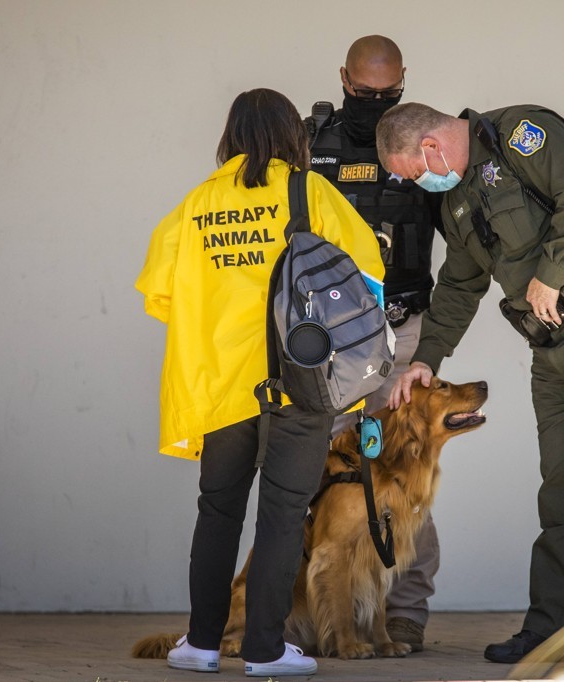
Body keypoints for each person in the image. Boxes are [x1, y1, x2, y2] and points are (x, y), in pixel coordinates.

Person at [376, 102, 564, 663]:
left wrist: (551, 273)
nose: (422, 185)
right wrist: (428, 359)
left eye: (417, 173)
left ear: (432, 148)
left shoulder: (521, 136)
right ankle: (554, 634)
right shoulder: (456, 199)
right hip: (552, 350)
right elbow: (460, 285)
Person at [136, 88, 384, 676]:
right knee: (282, 514)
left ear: (230, 135)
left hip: (220, 386)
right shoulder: (311, 192)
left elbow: (160, 293)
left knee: (217, 510)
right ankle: (265, 651)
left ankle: (199, 644)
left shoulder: (195, 204)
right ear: (289, 136)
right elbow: (366, 272)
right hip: (295, 380)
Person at [305, 35, 444, 653]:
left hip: (405, 329)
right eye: (365, 93)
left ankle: (404, 612)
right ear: (343, 80)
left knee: (403, 468)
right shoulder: (312, 148)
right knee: (324, 474)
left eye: (390, 93)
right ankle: (319, 614)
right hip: (335, 344)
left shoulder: (423, 141)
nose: (377, 103)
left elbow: (464, 235)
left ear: (404, 84)